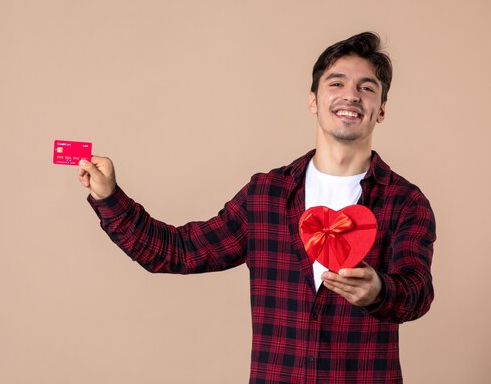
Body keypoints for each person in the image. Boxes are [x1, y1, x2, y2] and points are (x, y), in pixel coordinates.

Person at [77, 32, 436, 384]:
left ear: (382, 110)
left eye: (367, 88)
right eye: (336, 83)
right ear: (313, 100)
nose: (351, 96)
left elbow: (417, 292)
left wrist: (379, 292)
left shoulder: (405, 202)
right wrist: (109, 198)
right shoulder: (266, 196)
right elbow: (177, 251)